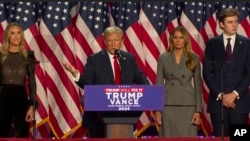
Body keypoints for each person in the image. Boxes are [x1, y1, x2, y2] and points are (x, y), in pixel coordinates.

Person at [63, 26, 149, 138]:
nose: (113, 44)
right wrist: (75, 74)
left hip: (125, 117)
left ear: (122, 41)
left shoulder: (129, 59)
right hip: (98, 120)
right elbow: (87, 83)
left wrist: (151, 95)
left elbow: (143, 82)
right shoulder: (94, 59)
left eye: (116, 40)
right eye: (110, 41)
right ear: (104, 42)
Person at [203, 8, 250, 137]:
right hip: (218, 105)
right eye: (230, 22)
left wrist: (234, 94)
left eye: (236, 21)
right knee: (220, 138)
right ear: (221, 24)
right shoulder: (213, 44)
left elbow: (249, 73)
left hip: (240, 105)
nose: (234, 25)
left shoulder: (247, 44)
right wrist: (221, 95)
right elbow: (207, 73)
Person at [154, 26, 202, 137]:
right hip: (167, 104)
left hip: (188, 105)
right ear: (171, 39)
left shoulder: (194, 58)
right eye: (175, 37)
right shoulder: (163, 58)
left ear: (185, 40)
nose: (178, 40)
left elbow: (198, 87)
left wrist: (198, 111)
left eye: (181, 37)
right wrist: (157, 109)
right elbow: (159, 84)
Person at [0, 22, 36, 137]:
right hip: (2, 98)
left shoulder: (28, 56)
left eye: (18, 33)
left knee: (22, 135)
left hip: (21, 98)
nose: (16, 36)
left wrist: (32, 106)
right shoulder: (0, 55)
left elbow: (32, 83)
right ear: (7, 36)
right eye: (12, 33)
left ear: (21, 36)